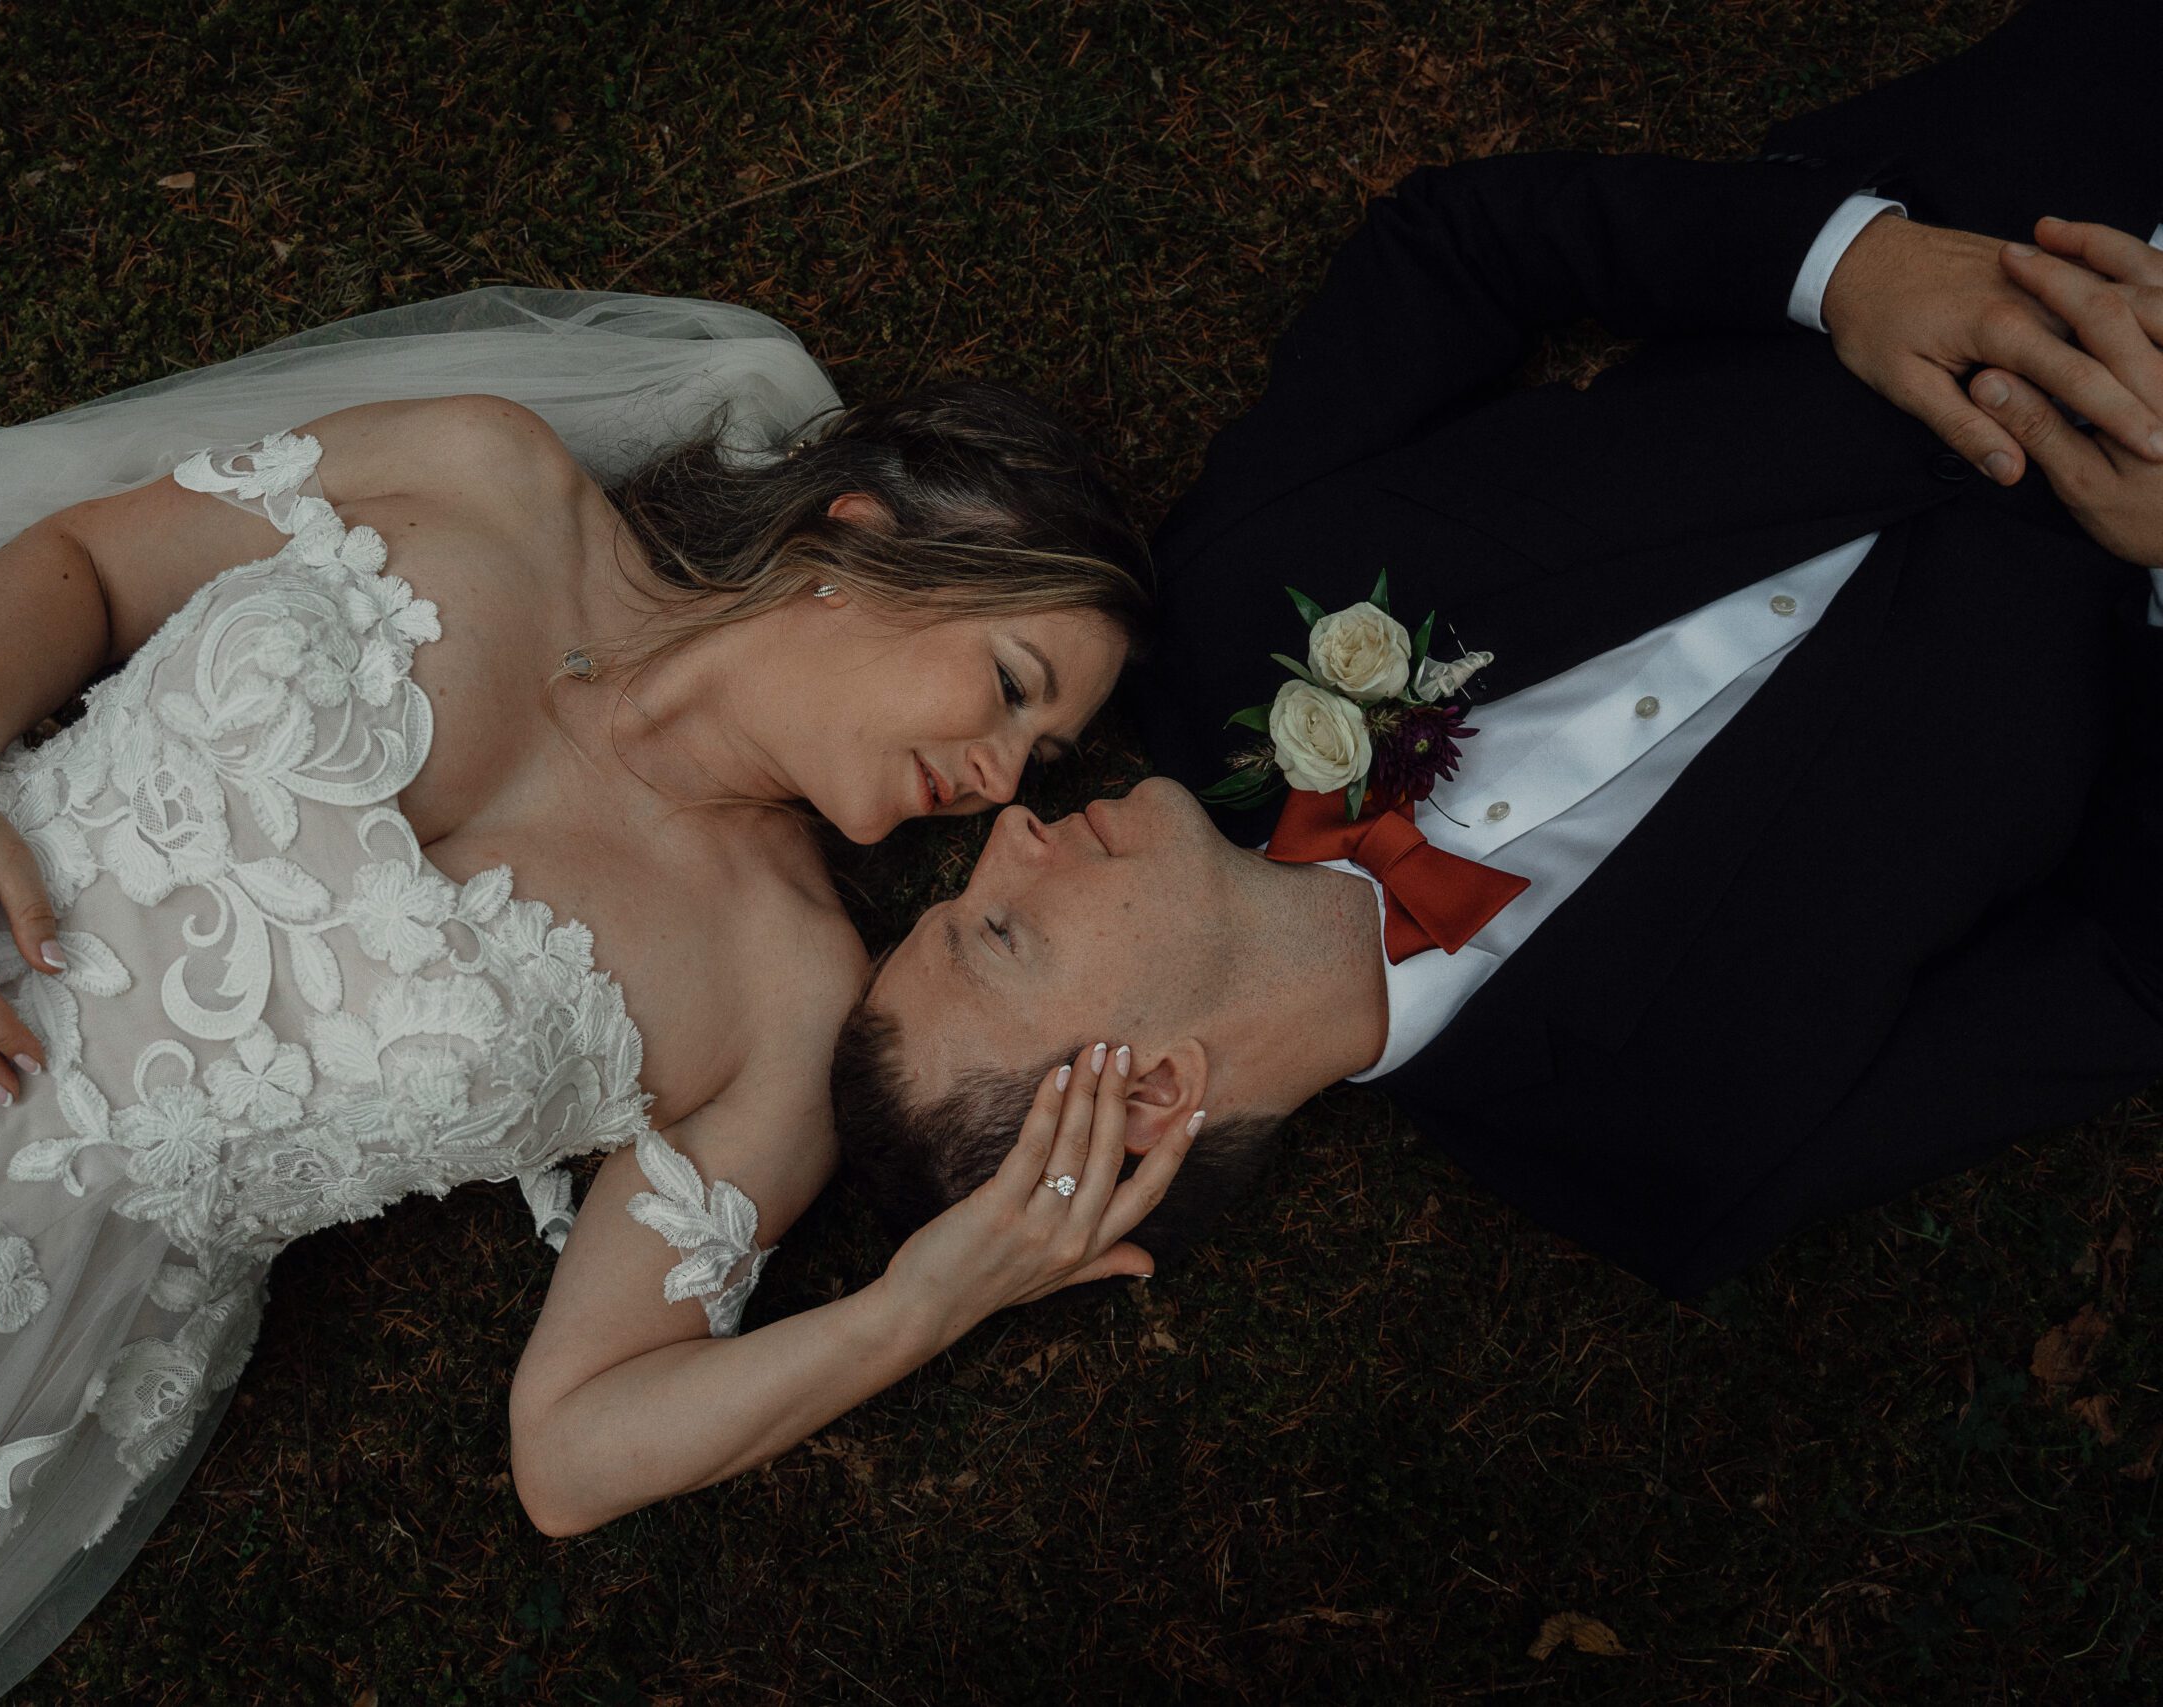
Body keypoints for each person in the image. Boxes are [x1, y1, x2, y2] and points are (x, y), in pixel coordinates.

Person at [0, 291, 1191, 1707]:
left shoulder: (784, 988)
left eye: (1042, 758)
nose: (1001, 778)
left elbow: (572, 1452)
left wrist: (924, 1302)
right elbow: (84, 561)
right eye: (1010, 687)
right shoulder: (482, 476)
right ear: (863, 541)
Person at [841, 0, 2163, 1297]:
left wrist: (1839, 266)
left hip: (2051, 177)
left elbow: (1457, 251)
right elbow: (2132, 961)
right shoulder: (1684, 1151)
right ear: (1154, 1090)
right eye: (997, 931)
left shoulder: (1223, 615)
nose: (1008, 835)